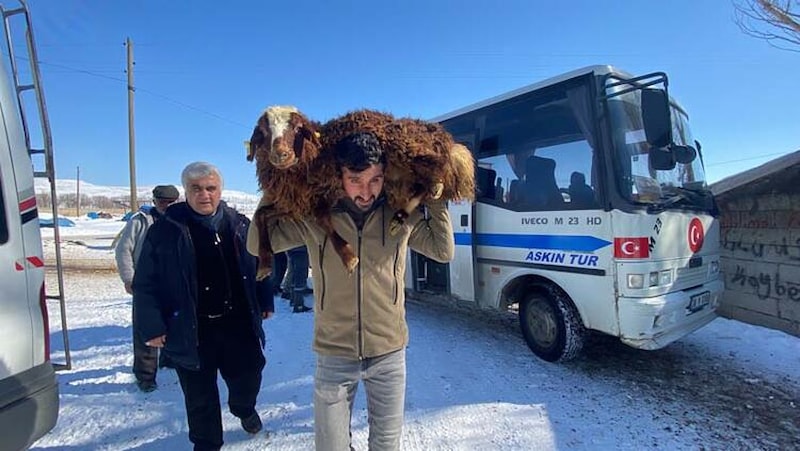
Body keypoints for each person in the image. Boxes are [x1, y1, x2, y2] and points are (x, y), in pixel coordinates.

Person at [247, 132, 454, 450]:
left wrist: (436, 196)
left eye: (375, 180)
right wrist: (274, 186)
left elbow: (442, 250)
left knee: (386, 445)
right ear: (339, 176)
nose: (366, 192)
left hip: (388, 352)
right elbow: (256, 245)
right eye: (355, 180)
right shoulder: (314, 218)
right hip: (334, 353)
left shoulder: (399, 214)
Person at [134, 162, 274, 450]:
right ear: (186, 191)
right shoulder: (165, 230)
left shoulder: (240, 225)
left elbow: (260, 263)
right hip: (190, 327)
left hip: (237, 323)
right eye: (196, 189)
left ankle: (243, 407)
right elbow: (146, 282)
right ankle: (207, 444)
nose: (204, 194)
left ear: (220, 190)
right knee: (200, 397)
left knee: (249, 375)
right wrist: (152, 325)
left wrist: (265, 298)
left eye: (211, 188)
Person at [115, 184, 180, 392]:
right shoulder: (140, 221)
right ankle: (145, 376)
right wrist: (129, 278)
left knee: (174, 323)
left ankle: (169, 359)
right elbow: (123, 250)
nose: (166, 206)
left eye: (170, 202)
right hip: (146, 284)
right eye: (162, 202)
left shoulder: (180, 219)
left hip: (173, 283)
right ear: (154, 202)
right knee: (146, 329)